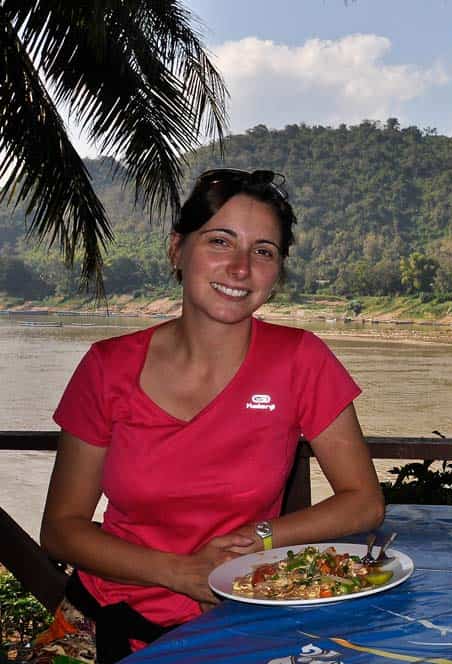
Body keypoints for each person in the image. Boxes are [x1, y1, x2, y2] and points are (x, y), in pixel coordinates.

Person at [31, 168, 385, 663]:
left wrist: (263, 537)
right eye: (220, 241)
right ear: (178, 250)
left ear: (276, 271)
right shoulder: (107, 368)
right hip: (101, 625)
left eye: (263, 251)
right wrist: (181, 573)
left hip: (240, 618)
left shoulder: (301, 359)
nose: (240, 268)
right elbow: (62, 529)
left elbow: (363, 502)